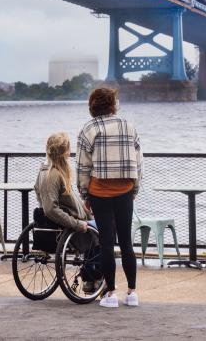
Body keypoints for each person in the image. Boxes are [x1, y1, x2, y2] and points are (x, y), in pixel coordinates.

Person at [77, 86, 142, 309]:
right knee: (126, 242)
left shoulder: (88, 129)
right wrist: (134, 190)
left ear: (92, 106)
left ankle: (111, 294)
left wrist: (85, 194)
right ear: (113, 104)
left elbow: (83, 167)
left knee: (106, 243)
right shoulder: (129, 126)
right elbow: (139, 163)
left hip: (100, 192)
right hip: (124, 190)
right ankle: (132, 293)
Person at [34, 132, 100, 293]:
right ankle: (94, 278)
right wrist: (77, 224)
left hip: (73, 220)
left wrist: (86, 212)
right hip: (70, 227)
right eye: (69, 148)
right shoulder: (54, 175)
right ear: (65, 152)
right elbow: (51, 209)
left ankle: (91, 277)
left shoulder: (46, 172)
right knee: (106, 229)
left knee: (98, 223)